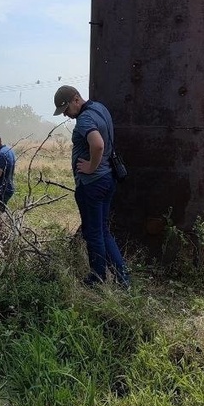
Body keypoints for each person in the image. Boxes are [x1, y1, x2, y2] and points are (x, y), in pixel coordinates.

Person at [53, 85, 129, 287]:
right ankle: (123, 279)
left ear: (76, 99)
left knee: (94, 233)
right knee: (103, 231)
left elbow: (97, 144)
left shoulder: (85, 119)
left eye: (66, 109)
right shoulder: (100, 108)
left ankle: (97, 277)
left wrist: (90, 167)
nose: (66, 115)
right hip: (107, 179)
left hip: (93, 183)